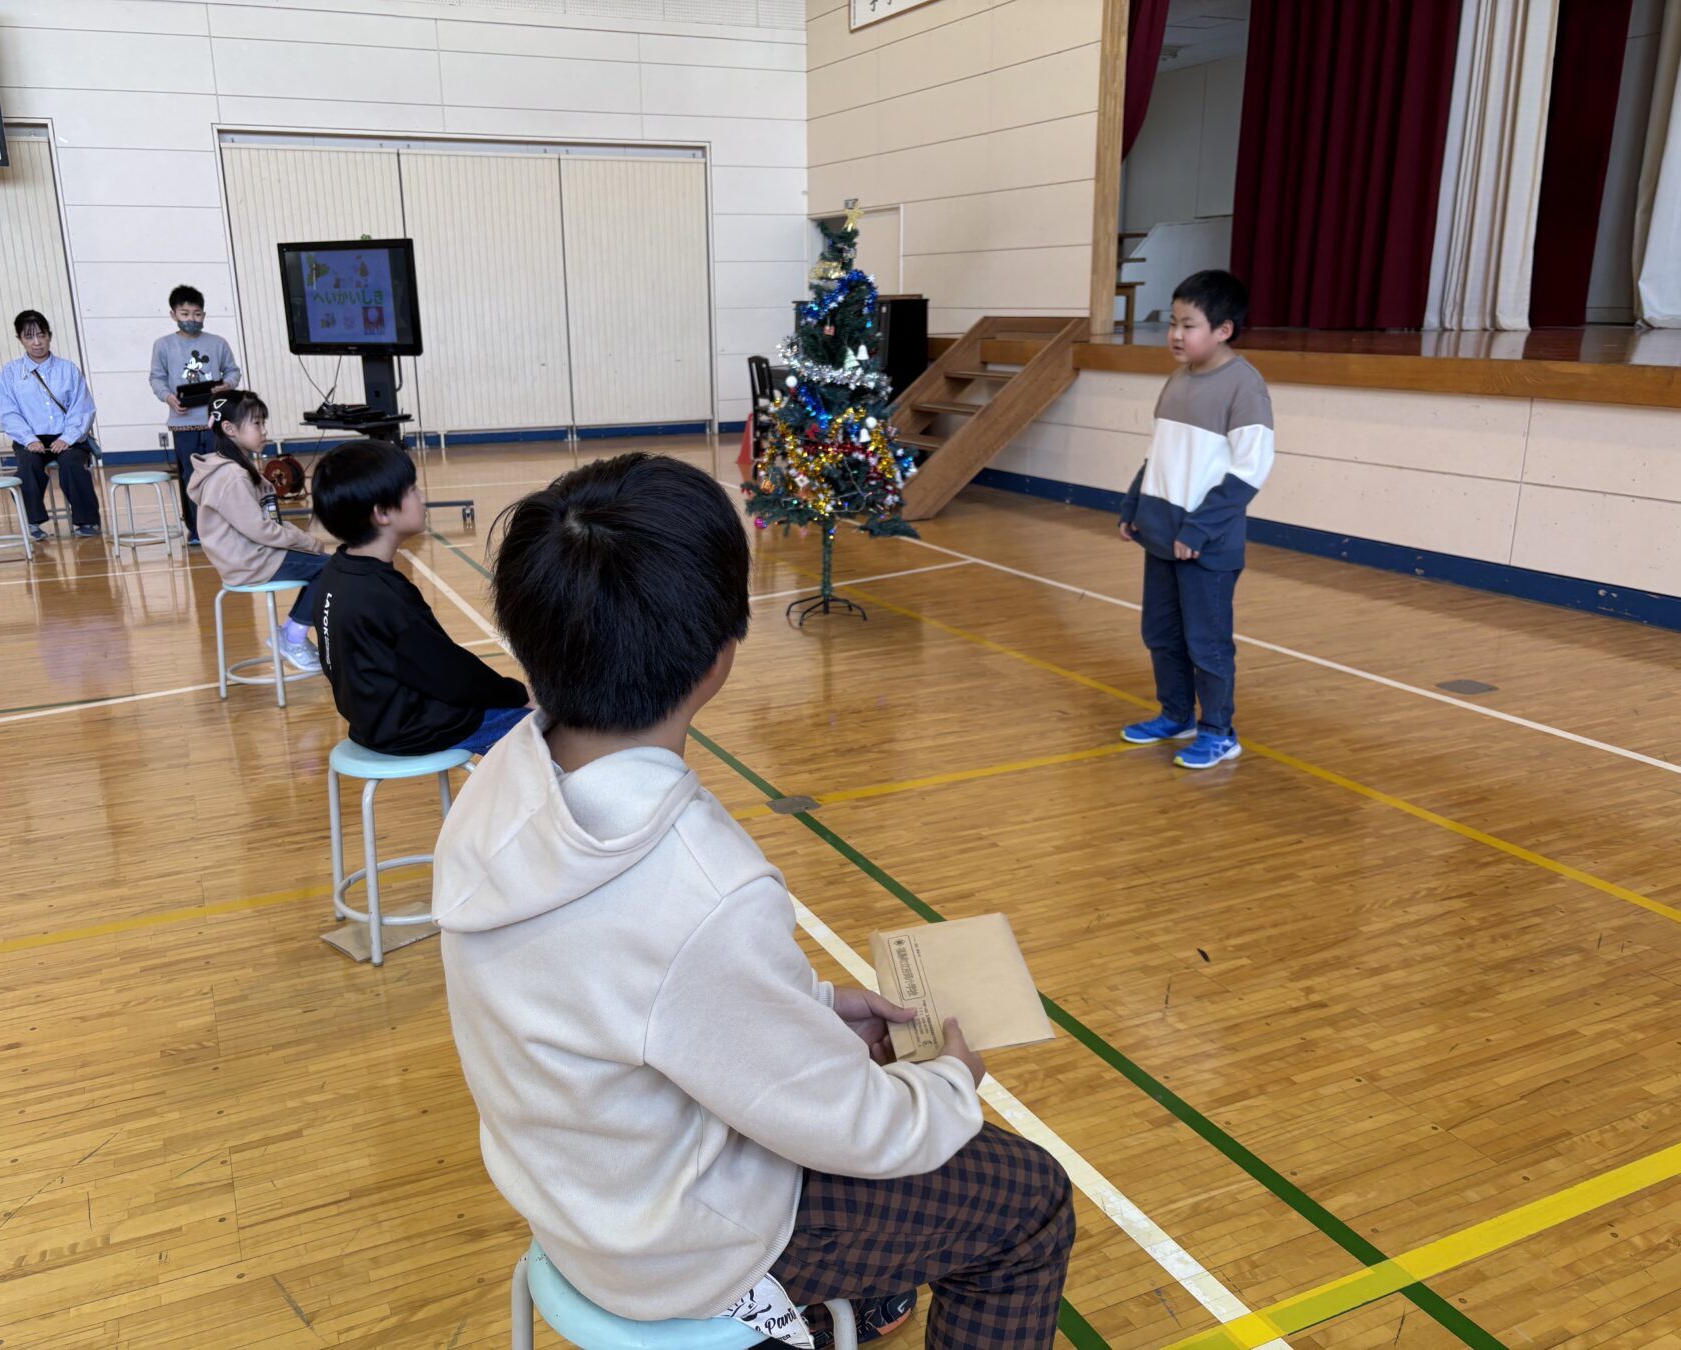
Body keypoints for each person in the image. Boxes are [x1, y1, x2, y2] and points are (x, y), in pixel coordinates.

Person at [433, 454, 1075, 1349]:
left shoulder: (496, 790)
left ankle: (839, 1300)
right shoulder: (701, 885)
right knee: (1030, 1199)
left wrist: (807, 1006)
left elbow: (634, 1003)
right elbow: (852, 1128)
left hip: (572, 1194)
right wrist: (945, 1085)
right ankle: (810, 1298)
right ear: (720, 655)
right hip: (678, 1246)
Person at [1117, 269, 1275, 771]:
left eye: (1189, 325)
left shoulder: (1244, 389)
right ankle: (1177, 714)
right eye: (1173, 323)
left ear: (1224, 330)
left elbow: (1249, 474)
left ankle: (1218, 731)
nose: (1175, 335)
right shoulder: (1176, 381)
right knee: (1161, 634)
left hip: (1205, 546)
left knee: (1206, 643)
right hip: (1162, 535)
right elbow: (1158, 454)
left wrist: (1197, 530)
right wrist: (1134, 506)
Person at [306, 439, 531, 756]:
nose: (422, 497)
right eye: (412, 490)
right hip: (415, 729)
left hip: (370, 726)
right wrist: (518, 694)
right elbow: (451, 674)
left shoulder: (335, 573)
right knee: (545, 727)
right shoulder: (384, 594)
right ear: (382, 512)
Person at [188, 390, 325, 673]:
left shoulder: (237, 466)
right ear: (229, 429)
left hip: (254, 554)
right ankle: (292, 636)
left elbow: (266, 524)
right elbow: (261, 530)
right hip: (251, 561)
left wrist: (302, 541)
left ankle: (288, 633)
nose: (264, 431)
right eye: (257, 424)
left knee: (325, 565)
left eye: (264, 423)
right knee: (331, 570)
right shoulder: (232, 476)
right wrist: (305, 540)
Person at [0, 310, 103, 540]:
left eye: (41, 335)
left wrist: (68, 437)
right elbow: (9, 412)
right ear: (20, 339)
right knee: (27, 465)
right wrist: (28, 439)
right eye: (29, 337)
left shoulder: (68, 369)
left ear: (50, 336)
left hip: (68, 436)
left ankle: (87, 521)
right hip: (31, 437)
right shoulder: (10, 373)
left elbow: (82, 408)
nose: (37, 342)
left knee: (73, 464)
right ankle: (32, 523)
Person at [150, 284, 240, 546]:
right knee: (191, 476)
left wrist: (227, 385)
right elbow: (156, 378)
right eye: (185, 313)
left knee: (222, 473)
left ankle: (226, 526)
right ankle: (197, 529)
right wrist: (169, 398)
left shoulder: (217, 343)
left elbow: (233, 371)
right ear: (173, 314)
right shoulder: (163, 345)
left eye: (197, 314)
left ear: (204, 314)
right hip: (183, 423)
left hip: (215, 421)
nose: (192, 319)